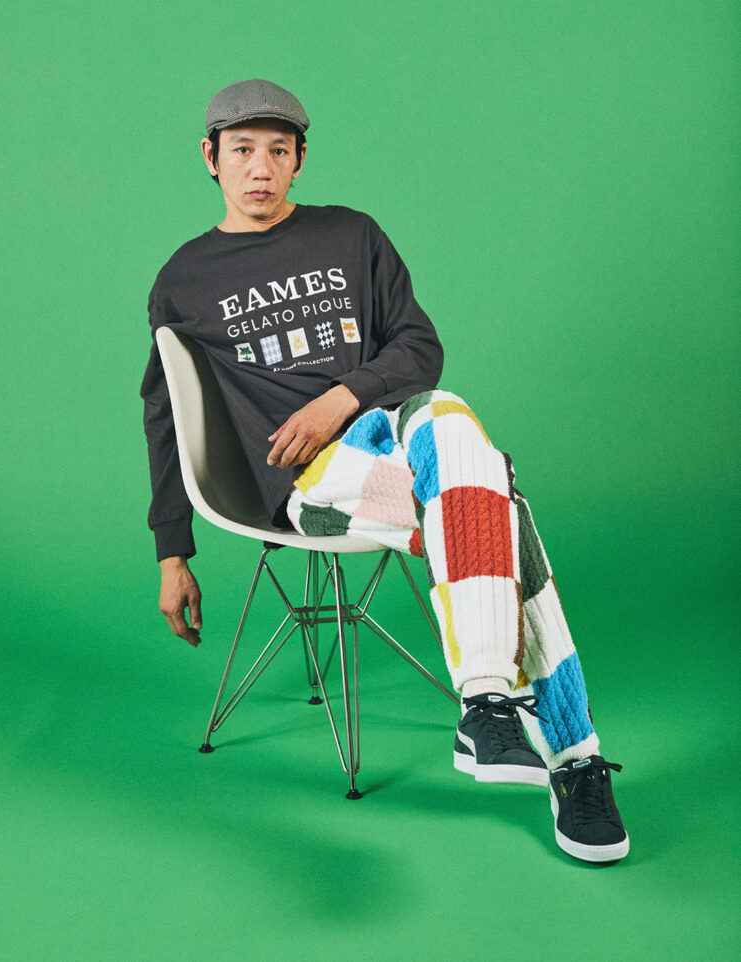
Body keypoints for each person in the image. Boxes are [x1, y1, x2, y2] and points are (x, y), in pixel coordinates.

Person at [140, 78, 629, 863]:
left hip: (391, 438)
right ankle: (568, 757)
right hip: (307, 487)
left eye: (276, 151)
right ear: (211, 159)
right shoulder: (184, 279)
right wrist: (174, 549)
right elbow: (166, 415)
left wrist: (340, 398)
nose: (259, 168)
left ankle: (488, 705)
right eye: (241, 152)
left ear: (299, 160)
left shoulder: (352, 236)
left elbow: (417, 349)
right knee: (491, 496)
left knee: (451, 419)